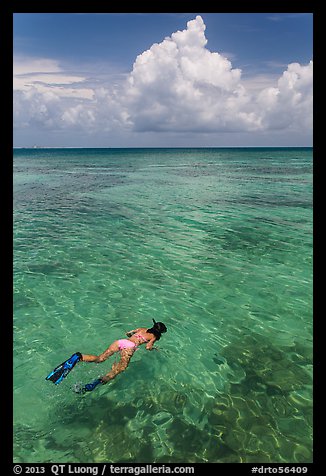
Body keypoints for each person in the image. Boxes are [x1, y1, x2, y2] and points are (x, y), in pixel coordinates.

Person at [45, 319, 167, 394]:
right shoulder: (154, 337)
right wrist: (154, 349)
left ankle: (79, 357)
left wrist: (133, 336)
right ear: (159, 332)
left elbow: (129, 333)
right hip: (129, 347)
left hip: (120, 342)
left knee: (100, 359)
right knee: (119, 370)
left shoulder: (142, 328)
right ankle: (92, 385)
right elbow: (147, 347)